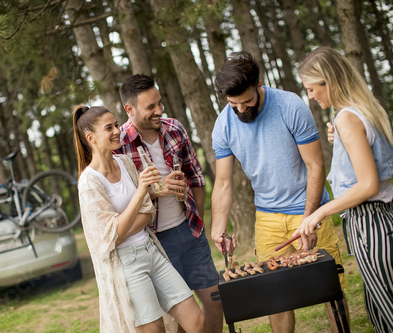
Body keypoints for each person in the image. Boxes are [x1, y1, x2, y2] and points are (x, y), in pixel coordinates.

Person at [210, 51, 348, 333]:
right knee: (275, 296)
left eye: (246, 101)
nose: (240, 110)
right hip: (268, 218)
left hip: (310, 210)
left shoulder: (290, 105)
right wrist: (218, 228)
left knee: (331, 289)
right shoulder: (224, 124)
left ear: (259, 84)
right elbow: (223, 183)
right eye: (233, 104)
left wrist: (310, 219)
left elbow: (315, 165)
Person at [295, 47, 393, 332]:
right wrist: (341, 143)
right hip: (387, 222)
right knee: (382, 311)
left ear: (329, 81)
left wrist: (319, 212)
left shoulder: (347, 118)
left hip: (372, 226)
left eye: (311, 88)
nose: (311, 96)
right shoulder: (365, 109)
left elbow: (368, 184)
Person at [73, 105, 206, 333]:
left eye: (116, 125)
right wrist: (139, 192)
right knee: (155, 330)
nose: (117, 131)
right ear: (91, 138)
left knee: (196, 320)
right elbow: (108, 239)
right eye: (109, 128)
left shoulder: (124, 162)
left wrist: (123, 225)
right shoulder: (89, 182)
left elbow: (147, 214)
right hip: (126, 265)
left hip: (150, 250)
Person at [114, 74, 224, 333]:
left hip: (189, 232)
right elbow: (122, 206)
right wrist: (154, 192)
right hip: (155, 242)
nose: (159, 111)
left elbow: (196, 177)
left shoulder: (174, 127)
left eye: (159, 103)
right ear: (129, 109)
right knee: (183, 319)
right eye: (150, 107)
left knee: (215, 301)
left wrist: (197, 223)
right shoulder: (118, 146)